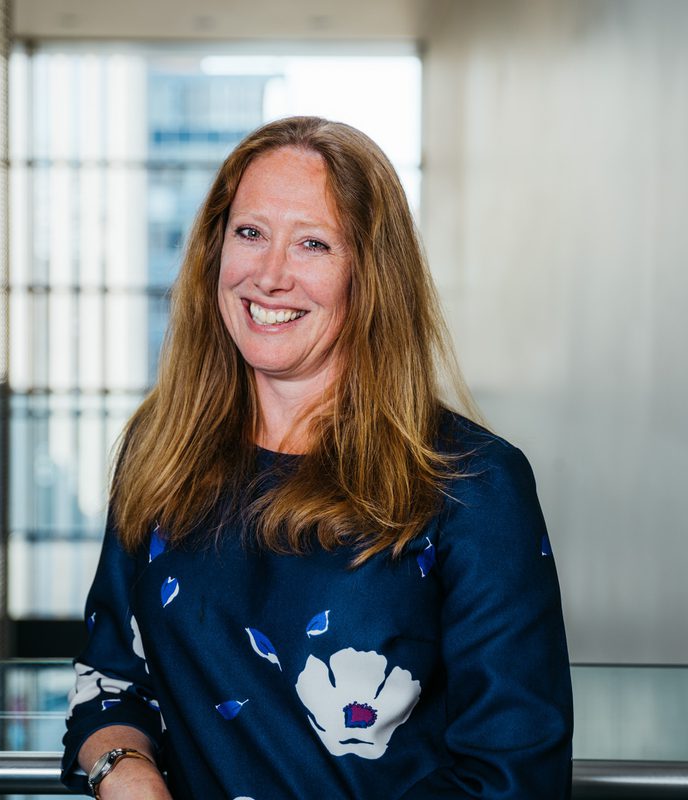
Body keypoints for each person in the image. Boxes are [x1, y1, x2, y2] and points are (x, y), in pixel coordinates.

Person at [61, 116, 572, 799]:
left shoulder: (473, 485)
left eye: (313, 243)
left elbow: (516, 779)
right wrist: (124, 772)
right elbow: (109, 681)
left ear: (370, 275)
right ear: (214, 251)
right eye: (250, 233)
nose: (270, 276)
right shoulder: (162, 449)